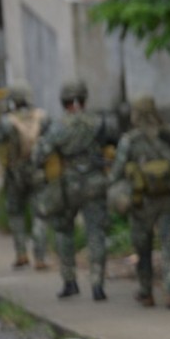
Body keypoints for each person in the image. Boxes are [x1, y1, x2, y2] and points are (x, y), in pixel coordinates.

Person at [33, 79, 113, 300]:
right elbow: (112, 146)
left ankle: (70, 281)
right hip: (95, 183)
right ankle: (98, 285)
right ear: (84, 99)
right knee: (96, 233)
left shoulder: (58, 126)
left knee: (64, 231)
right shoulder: (99, 123)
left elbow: (40, 155)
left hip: (67, 187)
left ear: (63, 101)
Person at [109, 94, 170, 309]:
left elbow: (116, 173)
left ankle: (146, 292)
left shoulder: (130, 140)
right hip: (169, 198)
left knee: (143, 247)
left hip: (142, 201)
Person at [0, 81, 50, 267]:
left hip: (14, 175)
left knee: (16, 213)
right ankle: (40, 257)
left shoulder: (6, 122)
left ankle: (21, 254)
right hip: (38, 172)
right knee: (40, 215)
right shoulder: (42, 117)